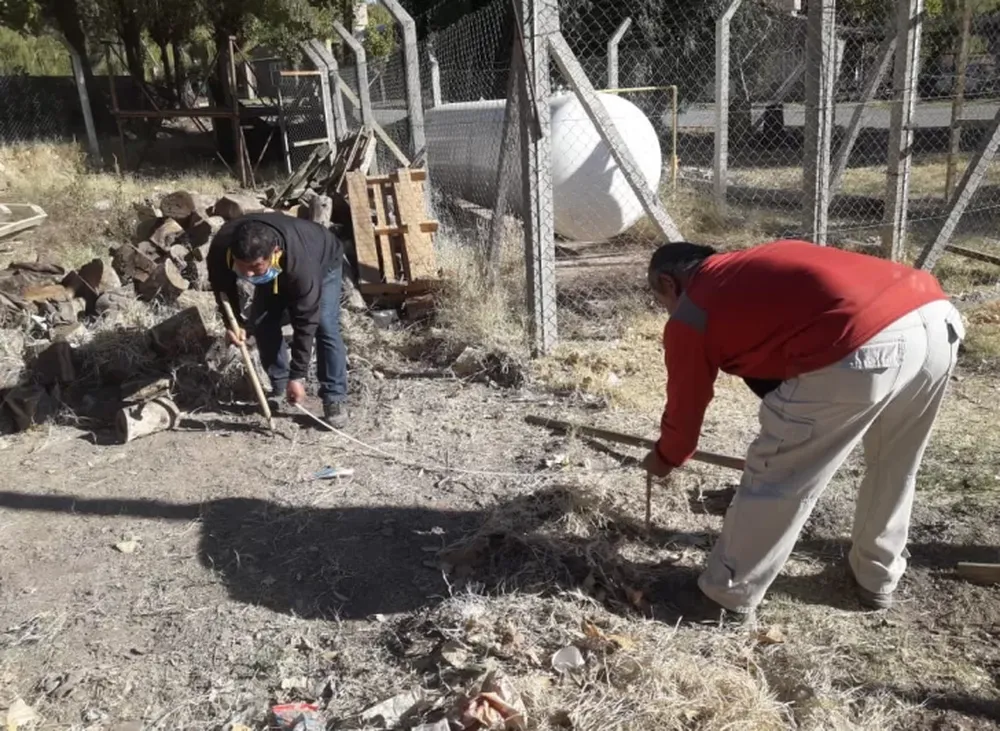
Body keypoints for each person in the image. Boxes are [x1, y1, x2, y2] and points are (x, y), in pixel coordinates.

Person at [642, 239, 964, 623]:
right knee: (896, 464)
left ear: (668, 282)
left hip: (865, 339)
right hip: (935, 317)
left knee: (778, 475)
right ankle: (876, 576)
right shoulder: (756, 265)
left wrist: (666, 457)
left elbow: (687, 402)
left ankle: (724, 596)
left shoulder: (691, 312)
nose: (667, 310)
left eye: (661, 299)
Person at [207, 213, 349, 428]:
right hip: (282, 264)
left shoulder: (303, 266)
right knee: (262, 321)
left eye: (255, 267)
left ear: (275, 253)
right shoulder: (222, 247)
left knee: (325, 325)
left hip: (323, 259)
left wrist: (298, 375)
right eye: (242, 266)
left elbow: (306, 321)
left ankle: (334, 397)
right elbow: (222, 286)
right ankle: (280, 385)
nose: (249, 274)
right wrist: (234, 323)